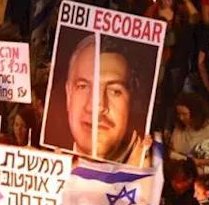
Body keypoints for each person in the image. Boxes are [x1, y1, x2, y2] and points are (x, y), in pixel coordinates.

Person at [59, 33, 147, 164]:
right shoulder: (44, 171)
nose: (98, 106)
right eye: (83, 86)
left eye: (115, 91)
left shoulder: (149, 170)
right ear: (68, 95)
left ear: (133, 103)